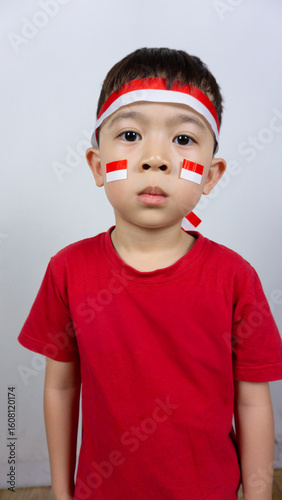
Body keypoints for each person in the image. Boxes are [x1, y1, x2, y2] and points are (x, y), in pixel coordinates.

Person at [18, 47, 282, 500]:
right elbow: (60, 388)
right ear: (98, 166)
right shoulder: (67, 270)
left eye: (182, 140)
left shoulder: (235, 278)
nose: (155, 158)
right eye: (131, 133)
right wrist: (62, 494)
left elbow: (253, 402)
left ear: (211, 175)